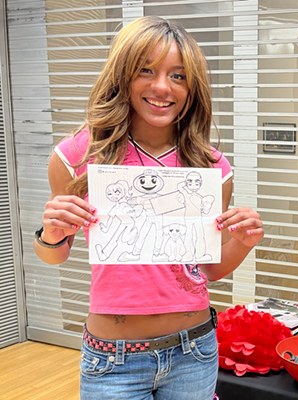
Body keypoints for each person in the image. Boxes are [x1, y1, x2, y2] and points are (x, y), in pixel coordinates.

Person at [33, 16, 263, 400]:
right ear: (122, 74)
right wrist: (51, 234)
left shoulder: (211, 168)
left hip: (194, 351)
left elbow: (207, 269)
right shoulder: (77, 155)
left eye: (178, 76)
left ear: (192, 88)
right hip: (113, 360)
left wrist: (243, 241)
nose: (162, 87)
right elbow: (54, 255)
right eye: (146, 70)